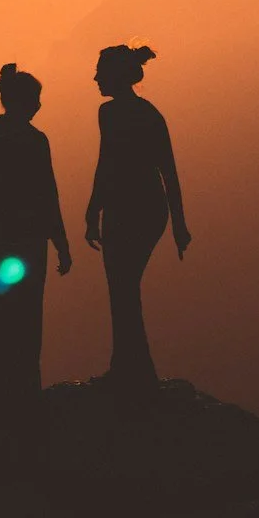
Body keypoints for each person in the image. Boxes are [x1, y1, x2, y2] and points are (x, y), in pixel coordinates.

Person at [0, 63, 71, 423]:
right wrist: (61, 241)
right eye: (37, 98)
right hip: (28, 243)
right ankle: (25, 388)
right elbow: (48, 194)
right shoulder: (34, 140)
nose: (40, 105)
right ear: (24, 100)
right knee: (28, 316)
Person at [85, 43, 190, 392]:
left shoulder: (124, 115)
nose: (96, 77)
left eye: (100, 71)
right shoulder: (140, 114)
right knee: (123, 288)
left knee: (123, 286)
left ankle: (132, 370)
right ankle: (131, 367)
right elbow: (114, 163)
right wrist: (93, 209)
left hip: (135, 209)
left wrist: (180, 224)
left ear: (115, 75)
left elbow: (165, 170)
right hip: (135, 207)